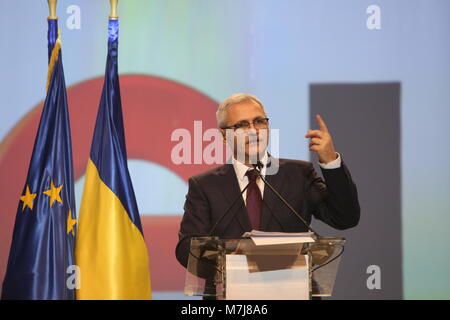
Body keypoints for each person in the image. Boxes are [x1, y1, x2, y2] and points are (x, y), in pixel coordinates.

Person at [175, 93, 360, 268]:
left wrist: (330, 161)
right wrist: (229, 262)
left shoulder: (299, 175)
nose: (253, 131)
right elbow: (187, 249)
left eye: (259, 121)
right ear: (224, 137)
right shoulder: (205, 186)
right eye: (241, 125)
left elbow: (345, 218)